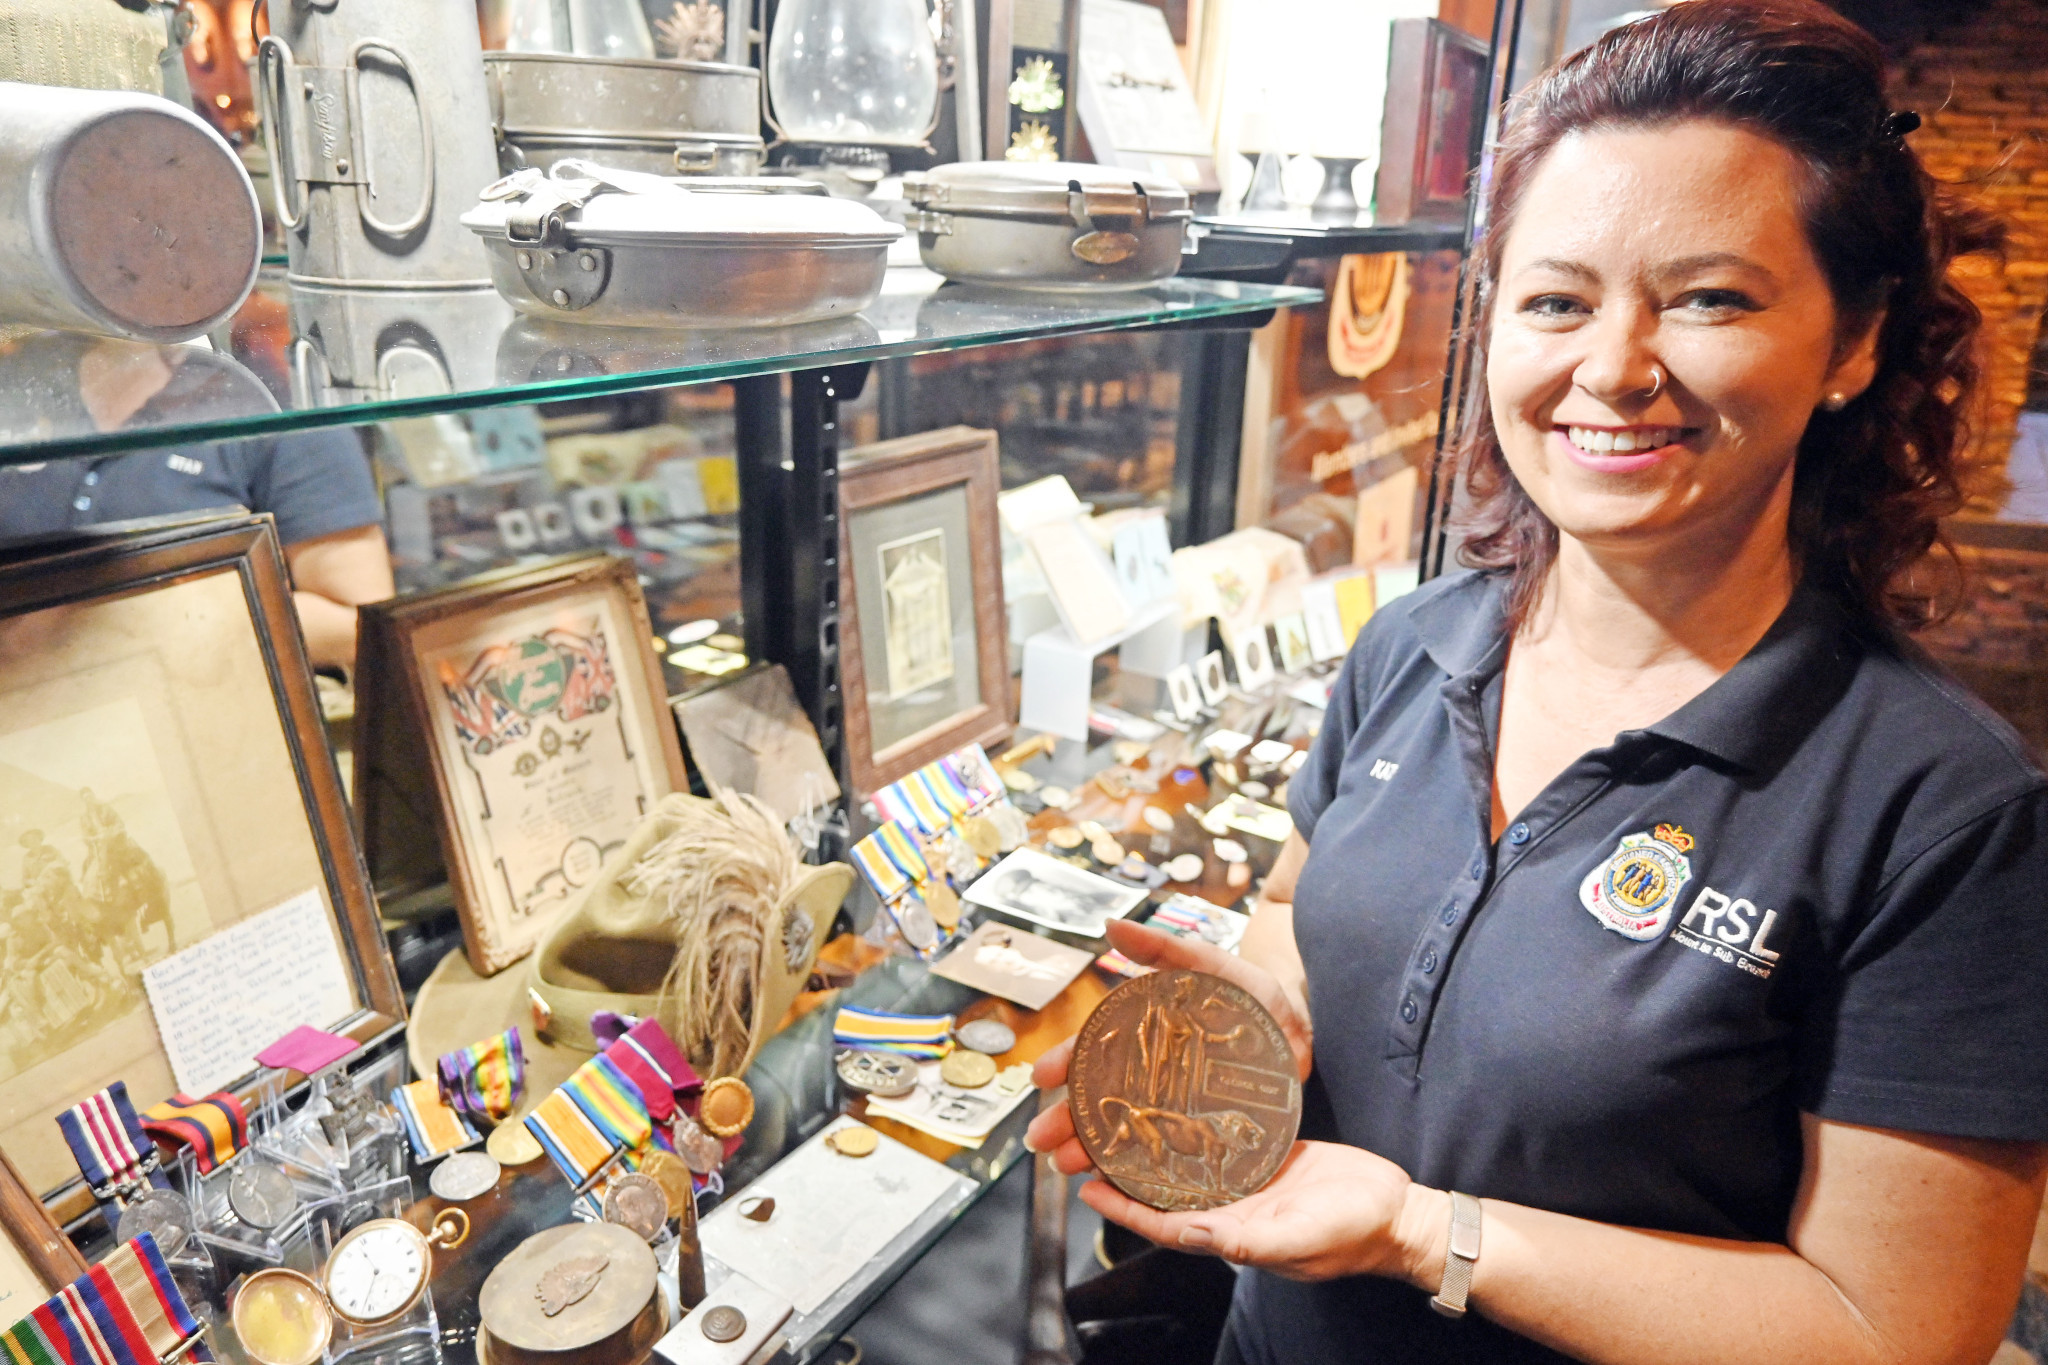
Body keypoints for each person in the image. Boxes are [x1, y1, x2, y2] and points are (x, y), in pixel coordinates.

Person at [1027, 4, 2048, 1362]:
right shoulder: (1416, 644)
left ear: (1853, 345)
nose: (1614, 369)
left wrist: (1423, 1234)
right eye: (1557, 300)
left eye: (1709, 299)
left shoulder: (1946, 815)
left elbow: (1895, 1330)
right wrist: (1254, 1014)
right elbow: (1293, 902)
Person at [0, 339, 392, 672]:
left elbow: (357, 626)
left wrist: (94, 628)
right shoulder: (22, 376)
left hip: (206, 726)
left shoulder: (269, 398)